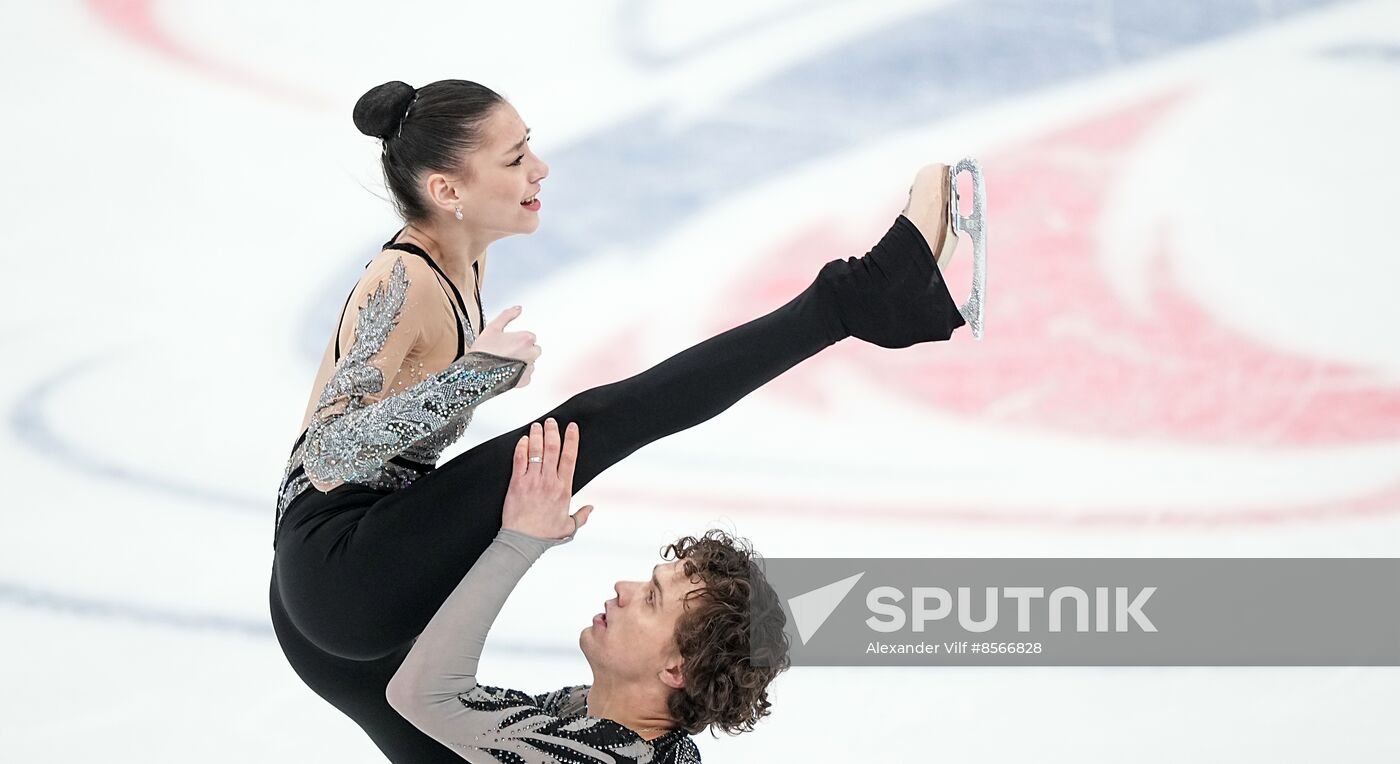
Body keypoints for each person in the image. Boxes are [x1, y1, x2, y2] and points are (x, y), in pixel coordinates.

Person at [269, 77, 965, 763]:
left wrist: (481, 404)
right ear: (448, 190)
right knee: (594, 425)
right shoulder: (406, 280)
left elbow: (436, 697)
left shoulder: (453, 269)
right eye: (515, 159)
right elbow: (328, 458)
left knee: (590, 429)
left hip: (357, 607)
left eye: (527, 147)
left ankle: (866, 300)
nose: (539, 168)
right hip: (339, 568)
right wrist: (473, 381)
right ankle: (863, 298)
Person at [386, 418, 787, 764]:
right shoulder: (602, 718)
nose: (623, 589)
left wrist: (522, 539)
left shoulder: (605, 754)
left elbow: (425, 696)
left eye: (652, 599)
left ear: (676, 670)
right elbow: (450, 711)